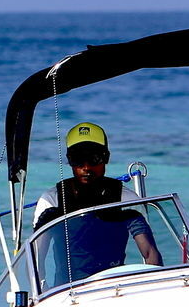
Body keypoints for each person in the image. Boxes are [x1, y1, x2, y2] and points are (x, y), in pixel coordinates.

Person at [31, 122, 161, 287]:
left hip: (115, 290)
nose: (86, 167)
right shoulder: (52, 201)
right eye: (78, 160)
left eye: (94, 159)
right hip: (65, 295)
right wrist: (42, 296)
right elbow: (37, 260)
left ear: (106, 158)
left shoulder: (125, 199)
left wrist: (154, 286)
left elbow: (150, 253)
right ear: (70, 160)